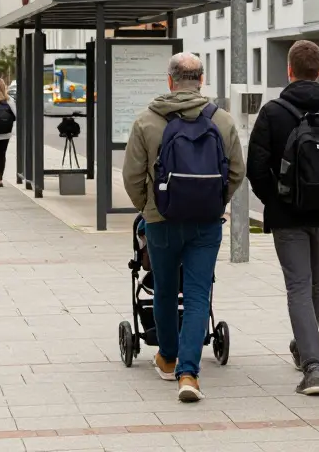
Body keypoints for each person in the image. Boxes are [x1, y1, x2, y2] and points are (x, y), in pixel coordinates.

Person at [122, 52, 245, 403]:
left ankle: (167, 357)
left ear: (171, 81)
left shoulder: (147, 120)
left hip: (161, 221)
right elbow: (236, 171)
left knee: (162, 289)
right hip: (206, 223)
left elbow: (132, 176)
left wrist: (148, 206)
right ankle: (188, 373)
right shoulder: (221, 120)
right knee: (196, 295)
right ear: (201, 80)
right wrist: (215, 202)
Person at [247, 40, 319, 396]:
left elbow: (256, 168)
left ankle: (313, 367)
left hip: (287, 217)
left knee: (298, 286)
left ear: (289, 70)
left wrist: (276, 200)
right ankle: (304, 349)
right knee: (316, 283)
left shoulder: (272, 112)